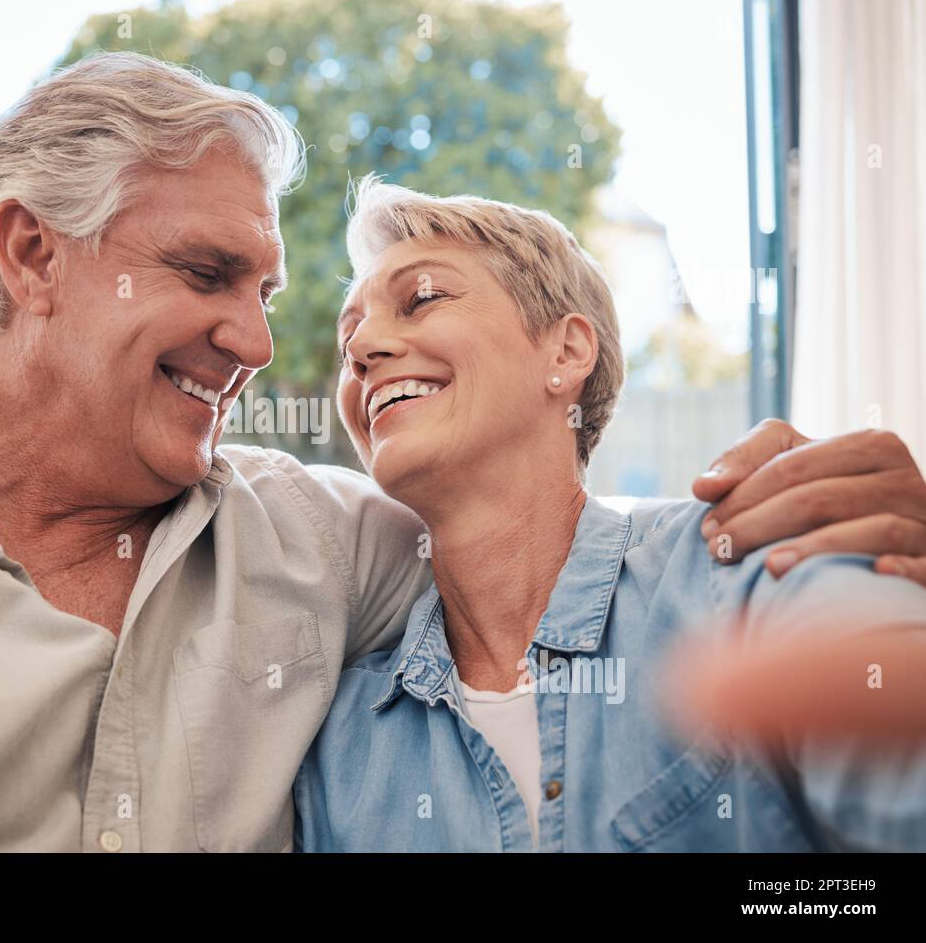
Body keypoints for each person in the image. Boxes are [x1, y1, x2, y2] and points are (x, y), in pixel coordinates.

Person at [0, 53, 924, 852]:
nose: (266, 341)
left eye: (273, 289)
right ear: (31, 255)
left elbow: (554, 543)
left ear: (566, 349)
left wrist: (845, 516)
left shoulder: (342, 546)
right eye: (205, 273)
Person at [294, 177, 926, 852]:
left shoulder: (749, 564)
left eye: (422, 298)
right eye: (349, 337)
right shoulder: (342, 746)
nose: (362, 351)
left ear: (565, 353)